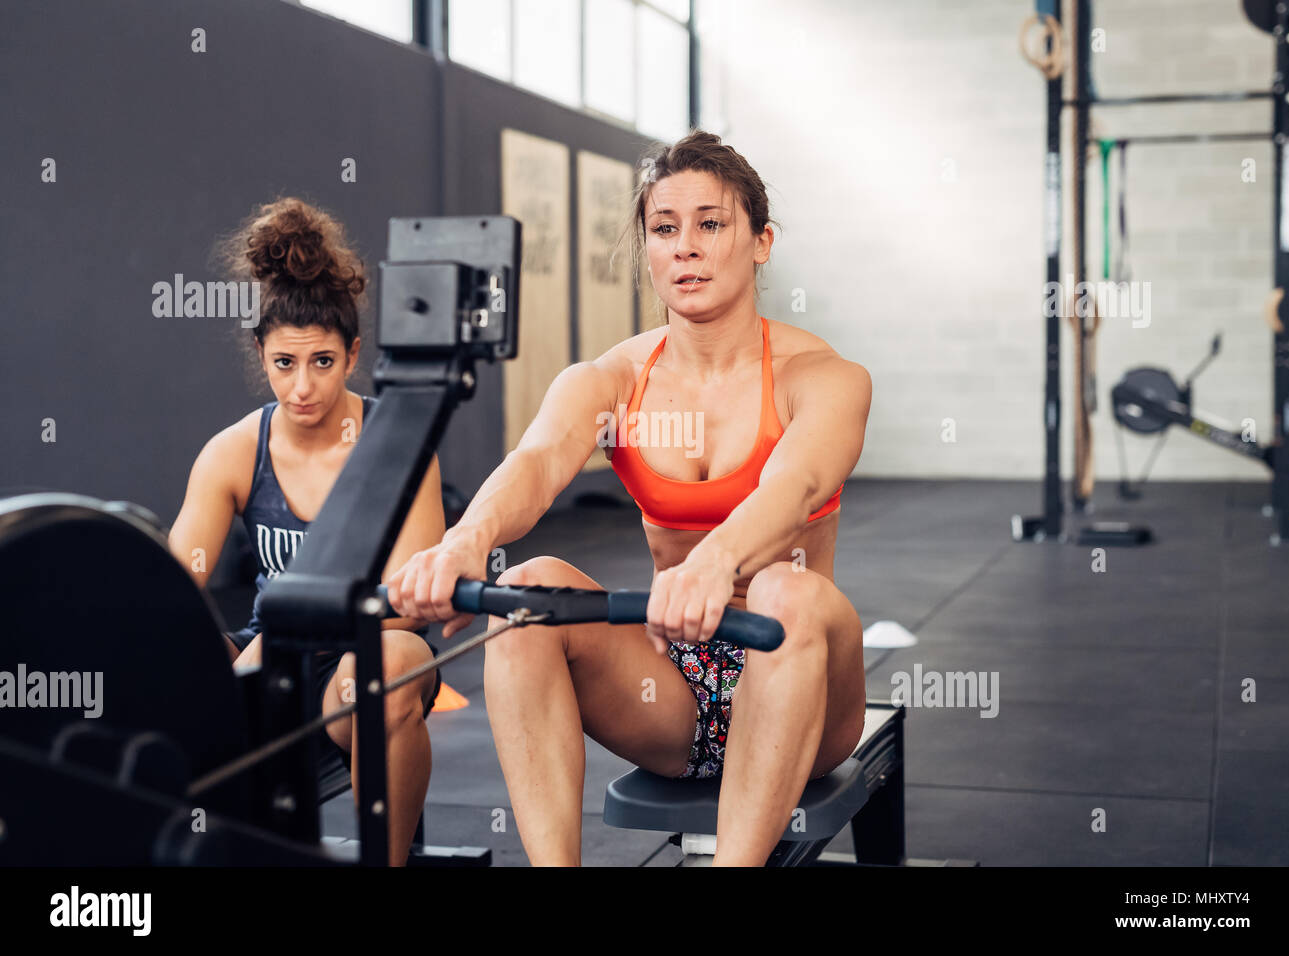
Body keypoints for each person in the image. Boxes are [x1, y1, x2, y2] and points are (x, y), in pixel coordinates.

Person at [387, 131, 872, 866]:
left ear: (761, 240)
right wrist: (464, 541)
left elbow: (796, 486)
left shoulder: (826, 377)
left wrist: (714, 562)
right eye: (664, 228)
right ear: (646, 248)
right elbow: (539, 459)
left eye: (711, 224)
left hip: (801, 677)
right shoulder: (610, 380)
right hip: (672, 690)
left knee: (786, 590)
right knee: (525, 593)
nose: (687, 247)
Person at [169, 198, 443, 866]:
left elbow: (408, 608)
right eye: (284, 364)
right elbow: (172, 591)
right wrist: (221, 666)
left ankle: (389, 861)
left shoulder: (398, 446)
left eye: (321, 362)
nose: (302, 388)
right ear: (260, 355)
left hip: (370, 647)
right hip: (272, 653)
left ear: (352, 356)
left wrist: (286, 650)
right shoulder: (235, 451)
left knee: (381, 681)